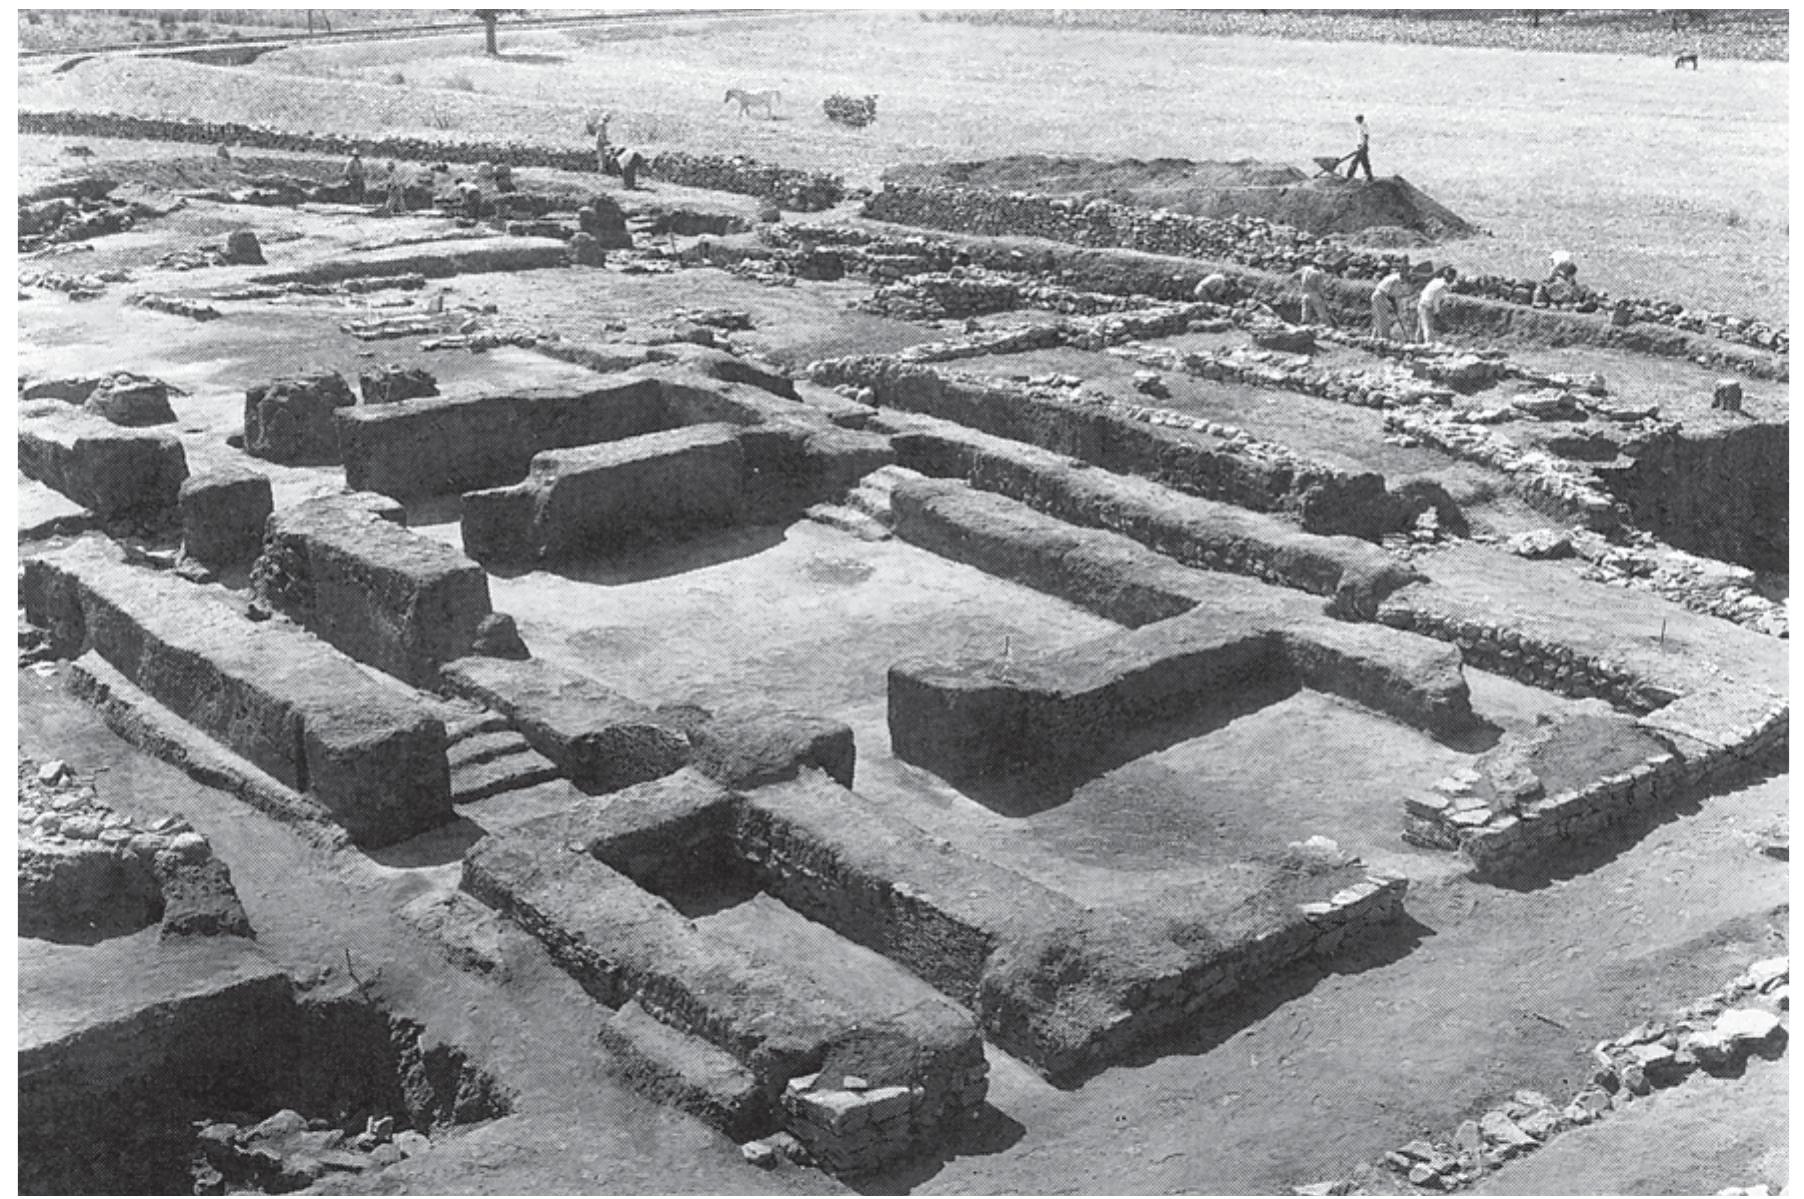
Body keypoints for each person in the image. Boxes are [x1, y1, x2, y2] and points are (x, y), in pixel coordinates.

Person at [1416, 266, 1456, 343]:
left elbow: (1424, 292)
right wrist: (1436, 314)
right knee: (1428, 327)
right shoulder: (1443, 286)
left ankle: (1417, 345)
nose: (1453, 279)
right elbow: (1436, 301)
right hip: (1427, 306)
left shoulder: (1436, 281)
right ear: (1451, 277)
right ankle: (1429, 346)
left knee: (1421, 327)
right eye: (1453, 277)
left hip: (1421, 304)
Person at [1371, 266, 1411, 340]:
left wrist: (1394, 304)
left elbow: (1393, 295)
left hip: (1380, 295)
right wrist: (1395, 305)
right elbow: (1392, 294)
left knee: (1380, 319)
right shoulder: (1396, 279)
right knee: (1383, 320)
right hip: (1380, 296)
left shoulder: (1396, 277)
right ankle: (1383, 341)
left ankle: (1374, 339)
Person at [1297, 260, 1335, 327]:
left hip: (1305, 293)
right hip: (1314, 294)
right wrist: (1323, 296)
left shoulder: (1306, 269)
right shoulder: (1317, 273)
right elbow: (1319, 287)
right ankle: (1328, 326)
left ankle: (1304, 326)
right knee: (1322, 313)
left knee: (1305, 313)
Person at [1344, 114, 1373, 181]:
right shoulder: (1360, 126)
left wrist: (1363, 145)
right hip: (1361, 146)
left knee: (1355, 161)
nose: (1356, 121)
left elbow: (1366, 136)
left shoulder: (1364, 126)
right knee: (1364, 162)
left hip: (1363, 146)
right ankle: (1369, 176)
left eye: (1357, 120)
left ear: (1360, 119)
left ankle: (1350, 175)